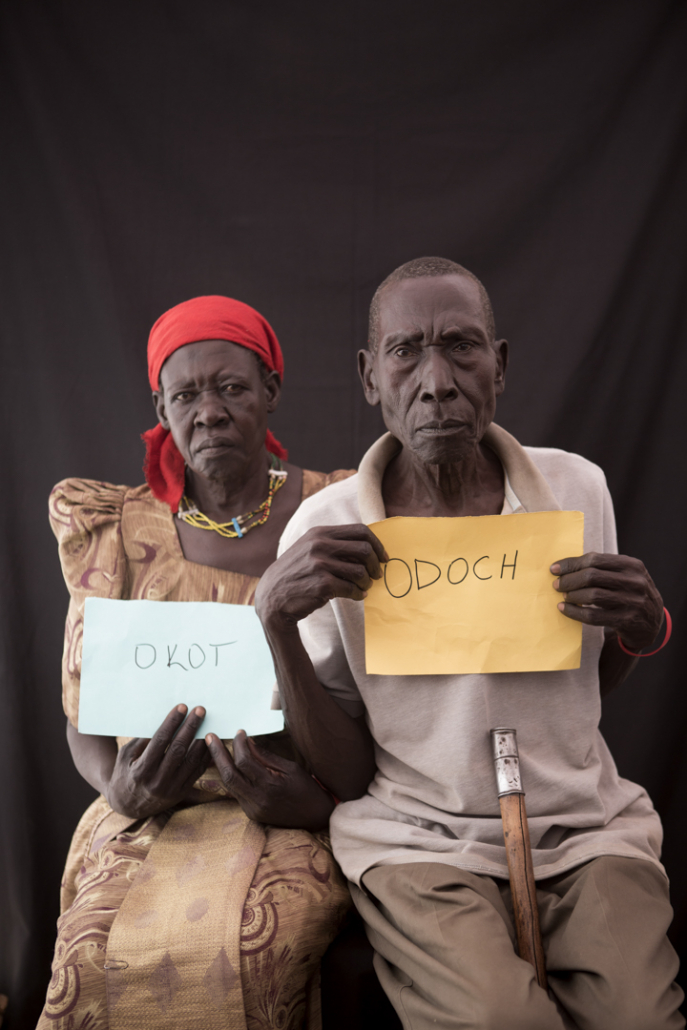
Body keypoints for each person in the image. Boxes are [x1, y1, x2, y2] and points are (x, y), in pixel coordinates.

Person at [253, 258, 684, 1030]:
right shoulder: (326, 530)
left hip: (582, 828)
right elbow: (347, 771)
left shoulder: (575, 489)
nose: (436, 382)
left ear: (500, 364)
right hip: (421, 838)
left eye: (460, 347)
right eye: (405, 352)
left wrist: (641, 630)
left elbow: (579, 689)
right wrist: (275, 625)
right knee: (501, 1021)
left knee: (640, 1021)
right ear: (369, 377)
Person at [39, 295, 353, 1030]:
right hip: (151, 812)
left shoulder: (333, 512)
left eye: (232, 387)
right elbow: (83, 716)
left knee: (256, 955)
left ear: (270, 390)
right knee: (90, 958)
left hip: (293, 812)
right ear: (162, 409)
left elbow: (380, 694)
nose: (208, 411)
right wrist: (120, 791)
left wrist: (318, 803)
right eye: (184, 395)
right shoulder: (116, 529)